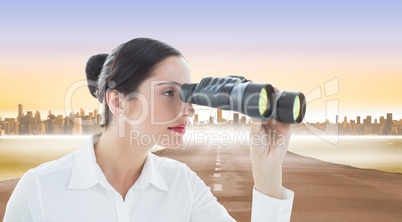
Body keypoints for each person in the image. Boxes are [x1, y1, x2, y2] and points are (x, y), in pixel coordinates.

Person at [4, 37, 294, 221]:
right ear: (117, 101)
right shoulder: (40, 190)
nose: (188, 109)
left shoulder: (183, 186)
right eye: (170, 93)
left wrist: (267, 169)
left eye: (189, 95)